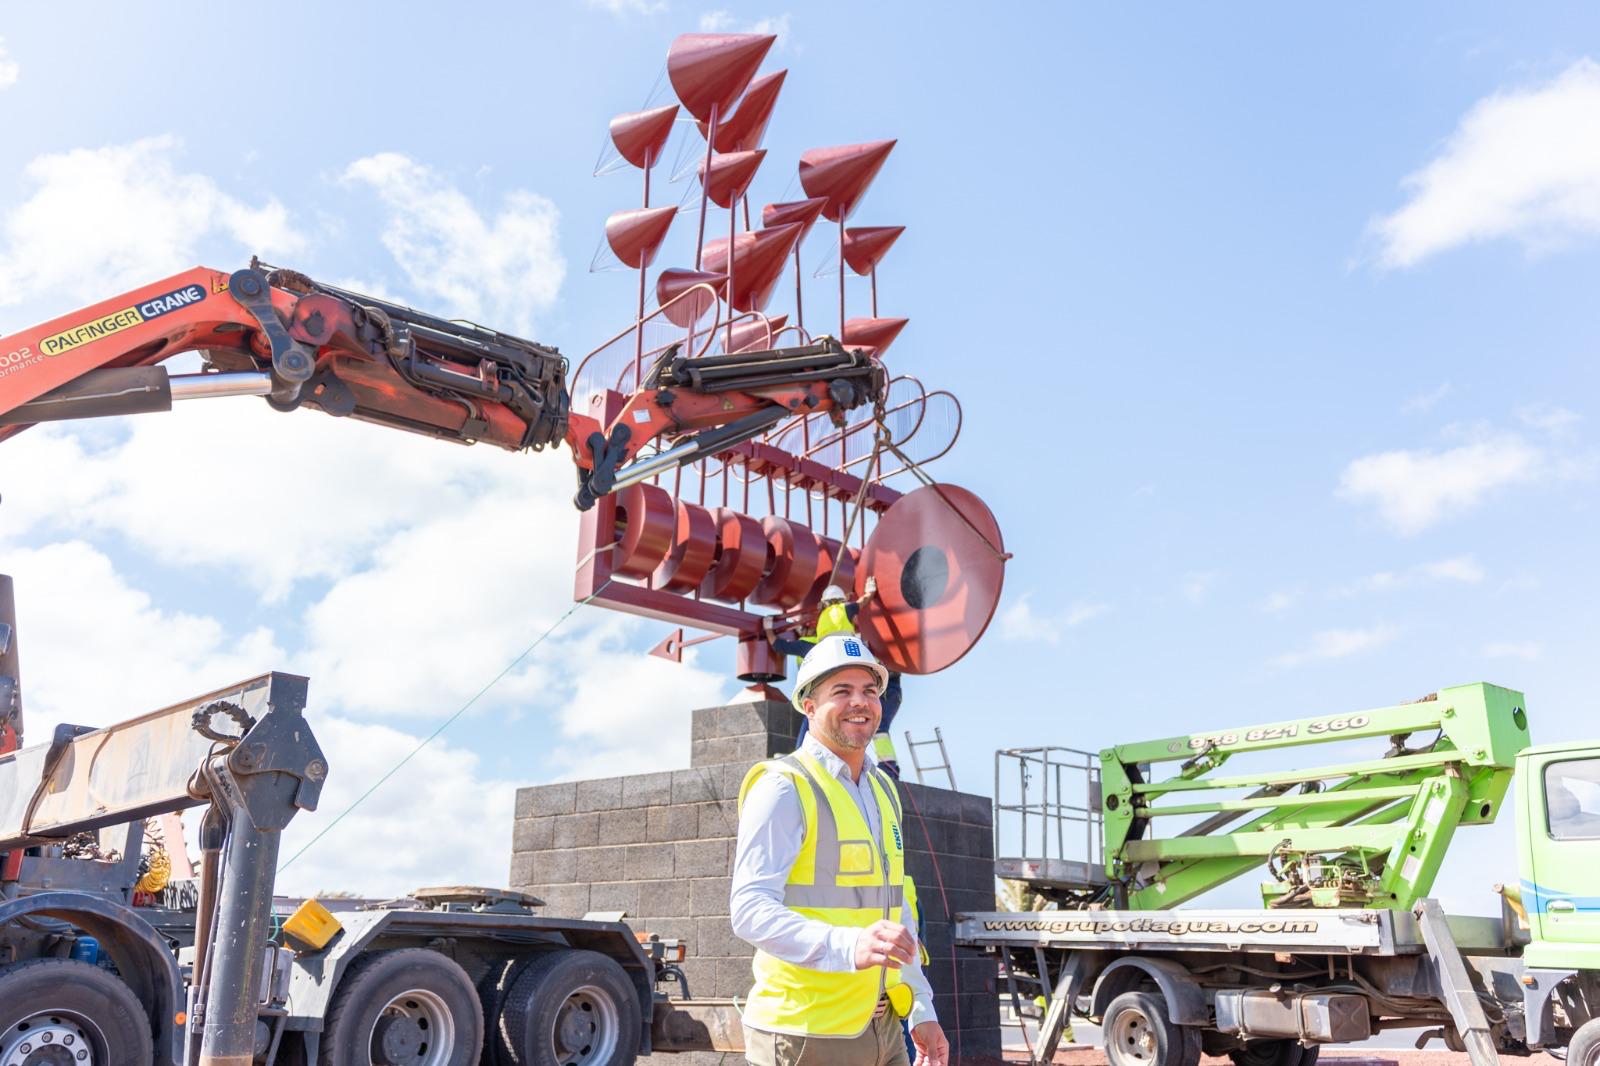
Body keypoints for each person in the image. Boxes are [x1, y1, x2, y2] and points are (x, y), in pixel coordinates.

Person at [731, 635, 950, 1066]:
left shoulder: (883, 790)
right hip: (805, 1033)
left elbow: (895, 907)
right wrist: (847, 946)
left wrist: (921, 1006)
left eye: (870, 691)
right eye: (841, 691)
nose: (860, 702)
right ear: (808, 706)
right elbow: (749, 909)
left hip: (883, 1027)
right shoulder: (783, 785)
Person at [767, 581, 906, 776]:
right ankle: (888, 769)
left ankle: (803, 760)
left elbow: (779, 645)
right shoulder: (844, 611)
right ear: (840, 599)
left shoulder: (812, 645)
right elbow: (863, 602)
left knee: (814, 722)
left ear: (823, 605)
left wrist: (767, 629)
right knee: (868, 728)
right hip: (853, 660)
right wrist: (870, 591)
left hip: (821, 685)